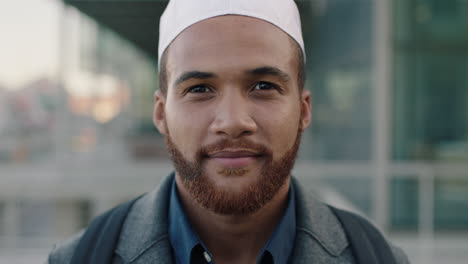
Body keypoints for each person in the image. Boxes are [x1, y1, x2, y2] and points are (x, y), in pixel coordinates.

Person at [47, 0, 410, 263]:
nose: (233, 121)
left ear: (303, 109)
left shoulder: (377, 257)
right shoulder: (80, 258)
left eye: (263, 86)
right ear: (161, 113)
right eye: (200, 89)